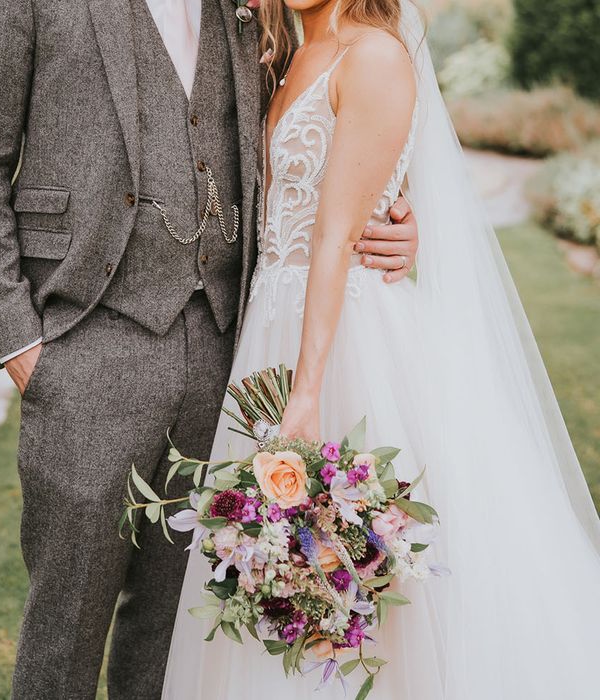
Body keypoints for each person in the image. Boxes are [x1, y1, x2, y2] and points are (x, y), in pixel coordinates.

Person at [0, 0, 418, 697]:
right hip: (82, 344)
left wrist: (396, 223)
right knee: (67, 617)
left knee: (180, 630)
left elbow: (322, 147)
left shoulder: (251, 10)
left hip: (226, 354)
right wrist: (20, 342)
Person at [162, 1, 600, 698]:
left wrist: (306, 397)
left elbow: (335, 237)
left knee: (363, 561)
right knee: (277, 562)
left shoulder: (373, 56)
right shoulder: (277, 54)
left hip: (347, 344)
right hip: (267, 330)